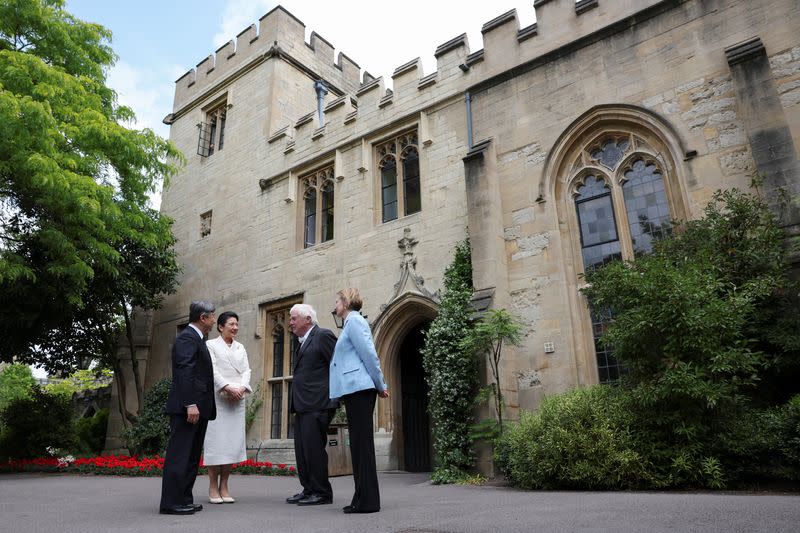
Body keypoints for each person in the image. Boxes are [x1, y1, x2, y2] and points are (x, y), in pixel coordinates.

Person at [329, 288, 388, 514]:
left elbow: (369, 354)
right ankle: (361, 497)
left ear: (346, 302)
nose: (335, 306)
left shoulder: (354, 322)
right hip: (355, 391)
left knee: (363, 447)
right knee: (359, 446)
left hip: (361, 390)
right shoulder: (349, 324)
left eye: (337, 301)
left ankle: (368, 501)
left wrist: (381, 384)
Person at [160, 301, 217, 515]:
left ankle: (184, 498)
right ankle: (171, 502)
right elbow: (184, 371)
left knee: (192, 457)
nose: (214, 320)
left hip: (198, 408)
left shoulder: (198, 339)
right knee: (180, 455)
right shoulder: (187, 338)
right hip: (188, 408)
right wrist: (190, 404)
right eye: (212, 316)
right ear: (203, 317)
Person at [286, 303, 338, 506]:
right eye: (290, 319)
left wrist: (334, 400)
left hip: (319, 403)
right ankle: (309, 489)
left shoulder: (323, 335)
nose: (290, 322)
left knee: (314, 450)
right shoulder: (302, 341)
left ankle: (322, 492)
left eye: (293, 318)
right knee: (303, 450)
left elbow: (336, 365)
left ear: (308, 319)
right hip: (303, 405)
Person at [203, 311, 251, 504]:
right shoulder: (210, 345)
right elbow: (212, 370)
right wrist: (227, 387)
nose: (235, 327)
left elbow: (247, 370)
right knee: (217, 444)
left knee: (231, 444)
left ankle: (225, 486)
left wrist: (241, 388)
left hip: (237, 399)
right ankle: (213, 486)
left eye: (237, 324)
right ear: (221, 327)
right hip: (218, 400)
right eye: (231, 324)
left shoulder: (241, 347)